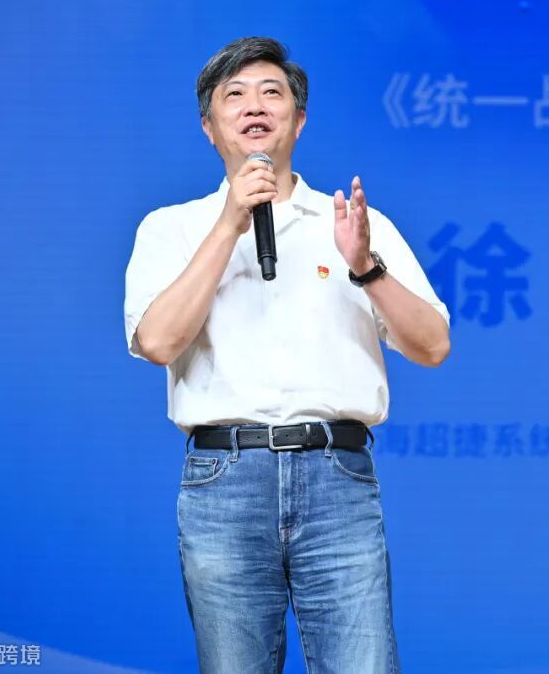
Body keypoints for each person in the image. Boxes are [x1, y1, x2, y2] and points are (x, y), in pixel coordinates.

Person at [123, 36, 450, 674]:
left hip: (337, 475)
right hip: (225, 481)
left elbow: (433, 345)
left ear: (298, 120)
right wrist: (229, 225)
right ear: (209, 127)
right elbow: (158, 341)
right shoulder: (171, 228)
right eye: (235, 95)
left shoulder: (353, 223)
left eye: (272, 93)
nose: (255, 106)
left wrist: (366, 267)